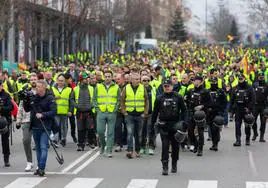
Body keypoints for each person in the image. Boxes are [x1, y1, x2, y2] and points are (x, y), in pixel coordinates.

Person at [151, 79, 187, 175]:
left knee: (175, 147)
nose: (167, 88)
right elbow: (155, 113)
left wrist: (184, 123)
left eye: (168, 86)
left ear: (172, 86)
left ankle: (174, 164)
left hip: (175, 126)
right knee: (165, 146)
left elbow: (184, 110)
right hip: (163, 125)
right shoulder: (159, 98)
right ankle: (165, 167)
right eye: (165, 86)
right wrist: (152, 124)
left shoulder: (178, 97)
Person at [23, 80, 56, 176]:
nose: (36, 88)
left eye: (38, 86)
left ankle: (41, 167)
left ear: (44, 87)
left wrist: (43, 114)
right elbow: (27, 109)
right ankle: (39, 168)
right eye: (36, 86)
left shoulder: (50, 97)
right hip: (35, 126)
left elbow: (54, 111)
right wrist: (25, 99)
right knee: (38, 148)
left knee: (43, 147)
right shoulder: (34, 97)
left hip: (46, 126)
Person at [120, 73, 149, 158]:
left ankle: (137, 150)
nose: (138, 81)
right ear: (131, 80)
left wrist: (145, 112)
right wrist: (124, 111)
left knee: (138, 134)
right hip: (129, 114)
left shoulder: (142, 88)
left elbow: (146, 100)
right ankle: (129, 150)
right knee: (129, 133)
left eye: (138, 79)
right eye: (136, 79)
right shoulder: (126, 88)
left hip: (140, 115)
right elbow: (122, 100)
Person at [94, 70, 120, 157]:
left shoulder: (116, 87)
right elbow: (94, 99)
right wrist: (97, 109)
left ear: (112, 77)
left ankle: (109, 150)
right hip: (101, 111)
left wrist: (115, 109)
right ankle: (102, 145)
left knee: (110, 132)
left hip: (112, 112)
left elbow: (119, 100)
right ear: (103, 77)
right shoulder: (98, 87)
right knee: (100, 131)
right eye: (106, 76)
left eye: (109, 76)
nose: (107, 78)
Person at [185, 75, 211, 156]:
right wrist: (185, 99)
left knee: (200, 131)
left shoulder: (205, 91)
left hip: (201, 114)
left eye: (196, 80)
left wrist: (202, 106)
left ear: (200, 81)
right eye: (193, 80)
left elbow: (210, 102)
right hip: (191, 112)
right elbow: (187, 100)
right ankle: (195, 144)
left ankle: (200, 149)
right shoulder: (190, 90)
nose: (194, 82)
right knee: (190, 131)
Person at [16, 73, 37, 171]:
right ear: (29, 81)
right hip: (26, 119)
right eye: (31, 79)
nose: (33, 81)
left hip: (38, 119)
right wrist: (18, 120)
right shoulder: (25, 91)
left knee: (38, 142)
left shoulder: (40, 91)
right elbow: (20, 106)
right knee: (26, 140)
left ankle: (40, 163)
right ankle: (29, 162)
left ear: (37, 80)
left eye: (35, 79)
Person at [71, 72, 95, 151]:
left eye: (87, 78)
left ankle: (91, 142)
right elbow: (71, 99)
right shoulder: (75, 89)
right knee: (80, 129)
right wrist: (77, 106)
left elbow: (95, 99)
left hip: (89, 111)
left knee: (90, 128)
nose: (87, 80)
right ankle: (80, 145)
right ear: (81, 80)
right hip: (80, 112)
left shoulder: (91, 88)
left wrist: (91, 106)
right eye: (85, 79)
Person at [230, 73, 255, 146]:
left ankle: (247, 139)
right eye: (239, 79)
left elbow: (253, 99)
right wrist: (232, 111)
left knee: (247, 125)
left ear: (244, 79)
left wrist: (249, 108)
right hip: (238, 109)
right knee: (237, 125)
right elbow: (232, 100)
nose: (240, 80)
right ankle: (238, 140)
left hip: (246, 109)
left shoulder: (249, 88)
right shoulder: (235, 88)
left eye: (241, 79)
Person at [51, 74, 73, 147]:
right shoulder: (52, 89)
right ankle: (56, 141)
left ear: (64, 82)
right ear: (57, 80)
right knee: (56, 126)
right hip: (55, 111)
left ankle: (63, 139)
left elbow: (71, 101)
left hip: (65, 111)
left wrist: (70, 111)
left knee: (64, 127)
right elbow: (49, 99)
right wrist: (54, 98)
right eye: (59, 80)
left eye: (62, 81)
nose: (60, 82)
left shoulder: (69, 89)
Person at [207, 78, 227, 151]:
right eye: (212, 82)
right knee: (211, 129)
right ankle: (213, 143)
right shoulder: (208, 91)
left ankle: (216, 144)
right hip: (210, 113)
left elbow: (224, 101)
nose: (213, 83)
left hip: (218, 112)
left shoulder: (220, 91)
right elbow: (204, 101)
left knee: (216, 129)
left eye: (214, 82)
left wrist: (221, 111)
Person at [0, 80, 14, 167]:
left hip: (4, 120)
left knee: (5, 141)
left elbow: (11, 107)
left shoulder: (6, 95)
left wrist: (1, 108)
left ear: (1, 86)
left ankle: (6, 159)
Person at [252, 71, 268, 142]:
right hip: (255, 105)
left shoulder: (266, 85)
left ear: (264, 77)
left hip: (263, 106)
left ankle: (262, 136)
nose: (261, 78)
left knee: (263, 122)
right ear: (258, 77)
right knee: (253, 120)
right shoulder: (255, 84)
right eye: (260, 77)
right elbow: (251, 95)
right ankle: (255, 133)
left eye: (262, 77)